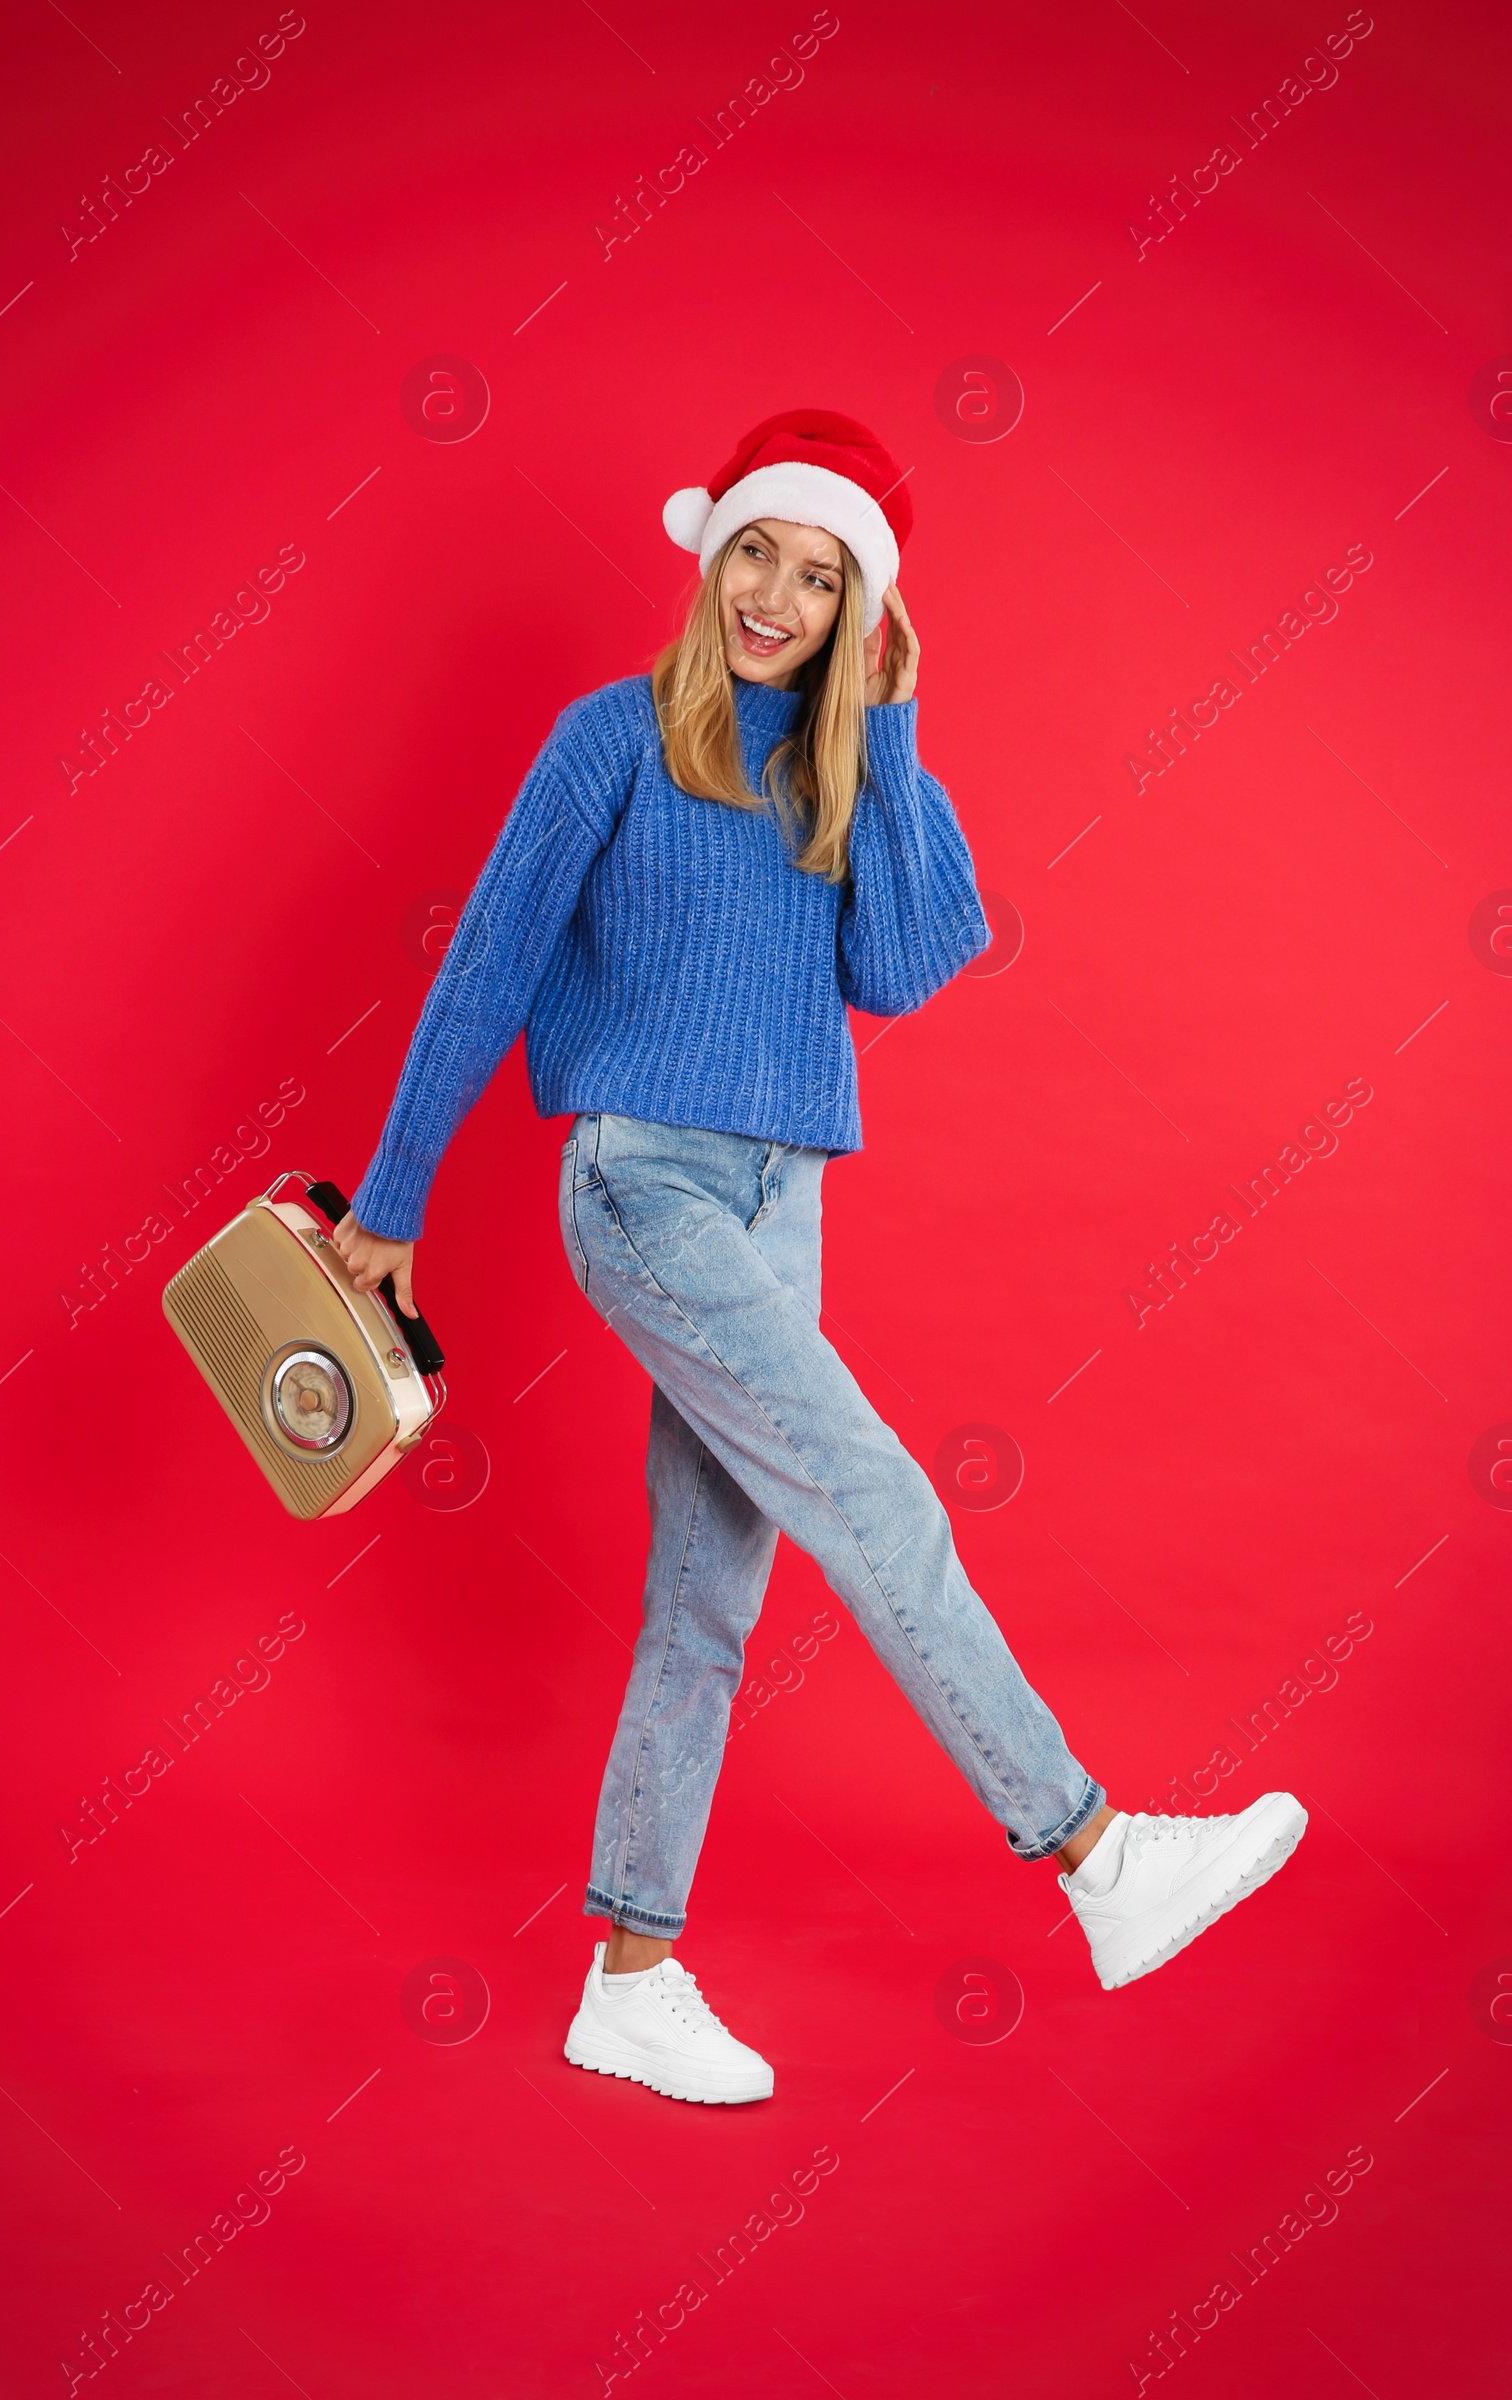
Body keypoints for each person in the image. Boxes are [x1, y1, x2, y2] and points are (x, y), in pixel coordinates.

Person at [334, 409, 1307, 2106]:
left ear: (861, 605)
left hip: (790, 1198)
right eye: (763, 554)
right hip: (648, 1187)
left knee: (708, 1601)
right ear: (714, 553)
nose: (779, 594)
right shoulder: (609, 743)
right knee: (879, 1503)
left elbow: (919, 958)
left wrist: (896, 715)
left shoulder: (836, 769)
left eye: (824, 573)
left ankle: (629, 1978)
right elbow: (483, 965)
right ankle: (1095, 1862)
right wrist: (391, 1206)